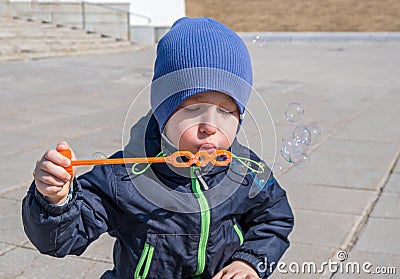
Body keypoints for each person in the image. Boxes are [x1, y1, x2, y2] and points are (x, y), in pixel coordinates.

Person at [22, 17, 294, 279]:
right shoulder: (125, 176)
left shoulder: (245, 169)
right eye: (193, 108)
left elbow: (274, 220)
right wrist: (55, 201)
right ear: (164, 112)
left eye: (225, 111)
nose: (210, 125)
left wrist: (250, 262)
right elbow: (59, 241)